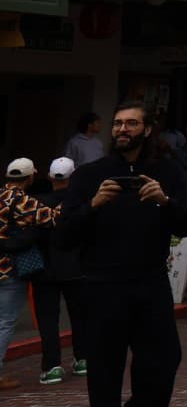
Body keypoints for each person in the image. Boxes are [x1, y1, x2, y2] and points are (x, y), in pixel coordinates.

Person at [58, 101, 187, 407]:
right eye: (118, 123)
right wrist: (93, 205)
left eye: (131, 123)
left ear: (147, 130)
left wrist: (165, 200)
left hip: (151, 283)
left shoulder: (166, 171)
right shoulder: (89, 175)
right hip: (101, 286)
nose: (122, 129)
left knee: (164, 360)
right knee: (104, 370)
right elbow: (65, 235)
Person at [0, 159, 60, 390]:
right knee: (4, 322)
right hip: (9, 270)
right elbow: (52, 218)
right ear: (30, 178)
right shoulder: (23, 200)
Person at [32, 158, 87, 384]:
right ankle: (83, 358)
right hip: (76, 268)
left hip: (44, 270)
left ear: (50, 177)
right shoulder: (80, 204)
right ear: (72, 177)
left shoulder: (36, 204)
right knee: (81, 315)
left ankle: (52, 365)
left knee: (47, 319)